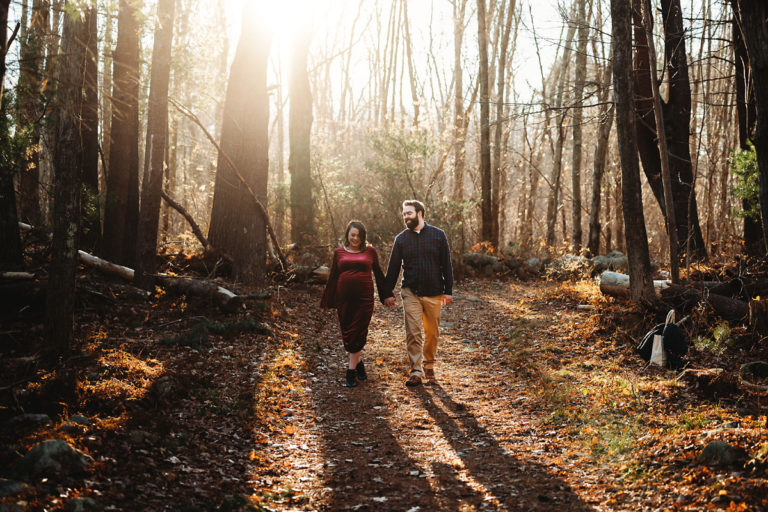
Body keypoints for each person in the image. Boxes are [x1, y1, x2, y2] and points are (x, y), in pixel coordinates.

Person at [384, 200, 453, 387]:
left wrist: (448, 291)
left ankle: (429, 363)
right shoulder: (401, 239)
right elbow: (393, 269)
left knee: (432, 332)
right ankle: (416, 371)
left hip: (433, 292)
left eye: (409, 213)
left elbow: (446, 264)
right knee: (413, 332)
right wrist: (386, 292)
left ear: (420, 213)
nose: (406, 217)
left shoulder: (438, 236)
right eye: (404, 214)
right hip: (410, 292)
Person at [321, 220, 390, 387]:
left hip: (364, 299)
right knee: (348, 333)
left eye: (359, 235)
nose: (355, 238)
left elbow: (379, 275)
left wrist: (387, 295)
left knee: (358, 332)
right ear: (347, 235)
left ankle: (350, 372)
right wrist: (327, 301)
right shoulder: (338, 253)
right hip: (344, 299)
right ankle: (359, 364)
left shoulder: (370, 251)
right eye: (353, 235)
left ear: (363, 236)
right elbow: (333, 277)